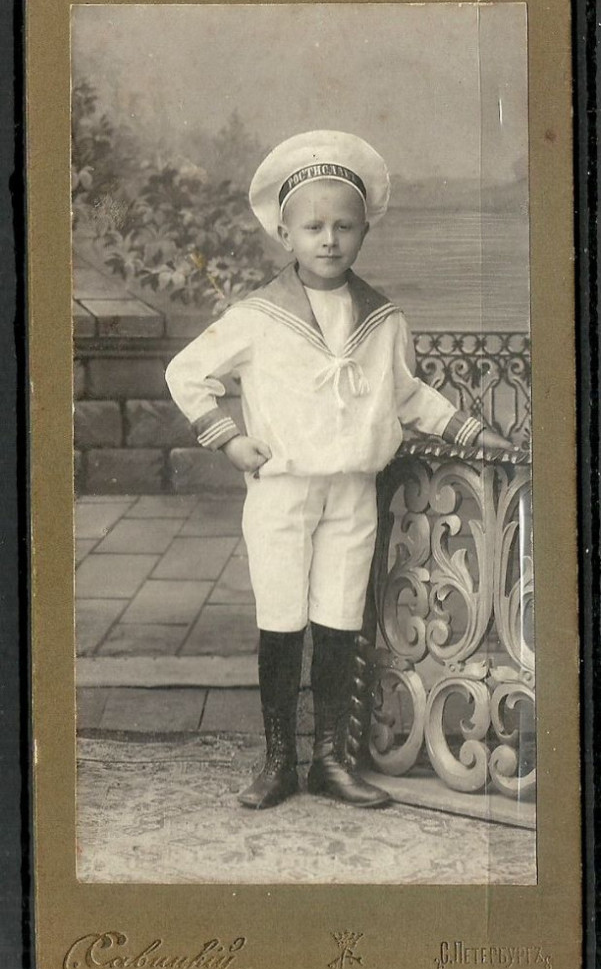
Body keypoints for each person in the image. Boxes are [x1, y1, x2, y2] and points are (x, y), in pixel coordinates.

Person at [166, 130, 511, 811]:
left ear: (361, 233)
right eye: (313, 226)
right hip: (282, 492)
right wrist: (229, 439)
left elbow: (406, 393)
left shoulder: (381, 320)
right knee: (281, 619)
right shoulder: (257, 316)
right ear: (284, 233)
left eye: (343, 227)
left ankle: (329, 759)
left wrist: (471, 430)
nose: (328, 240)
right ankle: (278, 760)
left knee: (337, 620)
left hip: (352, 491)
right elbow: (186, 372)